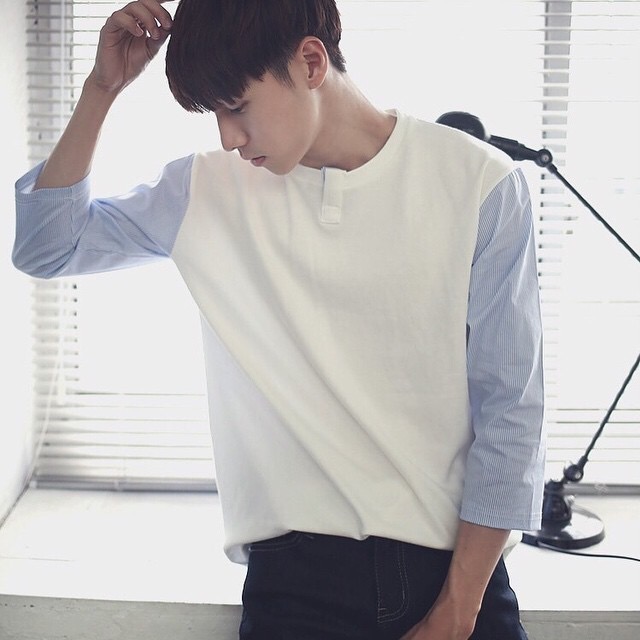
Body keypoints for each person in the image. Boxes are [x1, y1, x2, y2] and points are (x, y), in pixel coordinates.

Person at [13, 1, 546, 638]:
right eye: (215, 115)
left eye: (237, 107)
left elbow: (511, 409)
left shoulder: (480, 183)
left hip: (461, 575)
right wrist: (102, 90)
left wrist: (458, 611)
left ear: (311, 63)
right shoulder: (204, 191)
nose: (227, 137)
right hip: (296, 587)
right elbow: (48, 247)